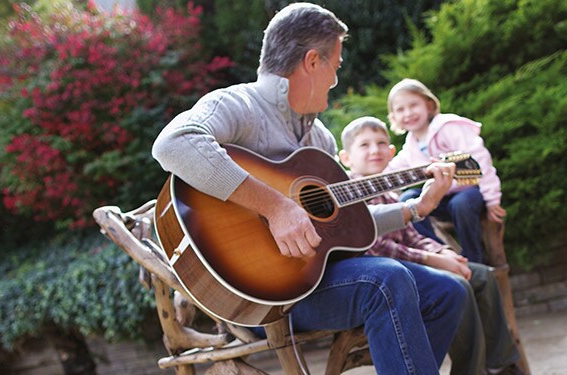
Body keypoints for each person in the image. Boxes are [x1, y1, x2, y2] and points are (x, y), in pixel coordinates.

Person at [152, 3, 467, 374]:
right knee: (388, 279)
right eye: (335, 65)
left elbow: (348, 227)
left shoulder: (320, 139)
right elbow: (173, 142)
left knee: (448, 293)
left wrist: (417, 209)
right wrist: (276, 207)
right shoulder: (238, 104)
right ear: (313, 62)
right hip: (263, 294)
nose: (335, 78)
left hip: (317, 279)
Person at [339, 116, 525, 375]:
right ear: (345, 158)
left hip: (409, 264)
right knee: (458, 283)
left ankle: (500, 365)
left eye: (382, 143)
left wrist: (442, 251)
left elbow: (411, 237)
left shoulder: (390, 192)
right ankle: (474, 370)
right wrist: (434, 260)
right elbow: (378, 248)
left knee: (480, 274)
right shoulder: (347, 191)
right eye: (364, 145)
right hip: (390, 272)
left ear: (392, 152)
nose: (375, 150)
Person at [386, 78, 507, 264]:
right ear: (394, 117)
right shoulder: (411, 146)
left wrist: (492, 200)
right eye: (400, 110)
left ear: (428, 104)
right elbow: (390, 171)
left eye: (413, 105)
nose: (408, 113)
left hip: (467, 193)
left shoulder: (448, 127)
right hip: (439, 200)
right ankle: (441, 254)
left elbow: (480, 159)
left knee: (461, 204)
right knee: (408, 199)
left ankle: (475, 260)